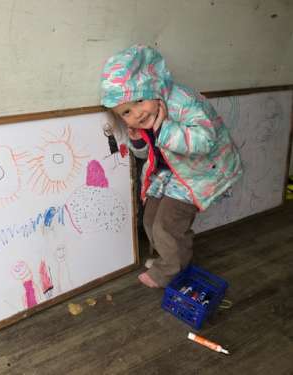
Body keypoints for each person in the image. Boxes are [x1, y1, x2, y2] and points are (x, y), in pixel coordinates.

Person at [100, 44, 242, 288]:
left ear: (152, 88)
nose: (136, 113)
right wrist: (136, 140)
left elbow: (205, 140)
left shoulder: (182, 101)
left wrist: (165, 129)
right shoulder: (144, 118)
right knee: (151, 219)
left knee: (167, 225)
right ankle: (172, 258)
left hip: (199, 174)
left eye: (140, 100)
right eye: (126, 112)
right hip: (169, 174)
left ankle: (169, 271)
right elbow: (149, 153)